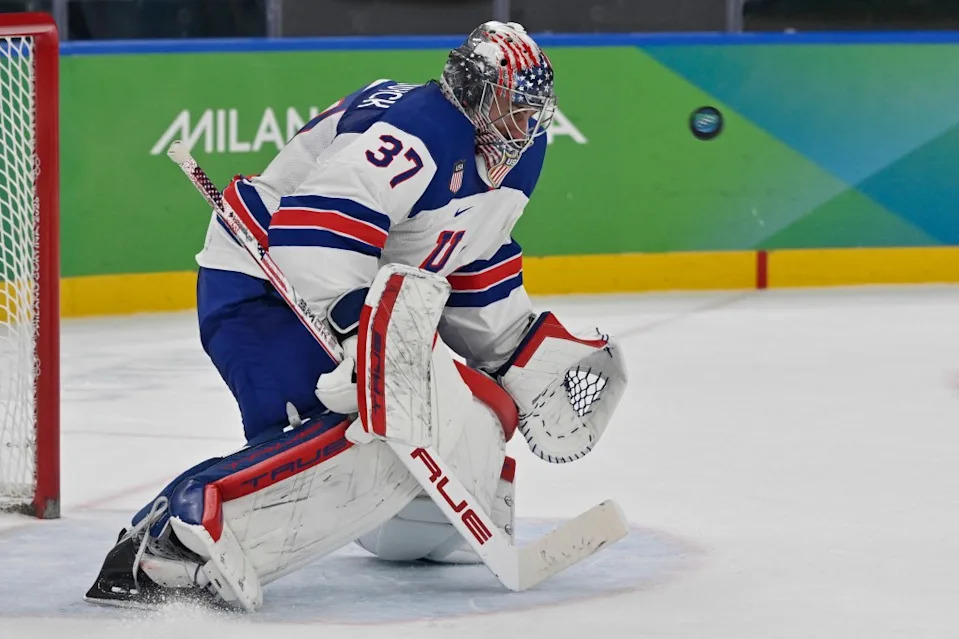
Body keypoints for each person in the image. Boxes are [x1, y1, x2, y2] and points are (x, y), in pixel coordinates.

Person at [84, 21, 627, 610]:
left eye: (533, 112)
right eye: (515, 108)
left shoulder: (516, 155)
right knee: (365, 423)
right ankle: (169, 538)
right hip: (265, 286)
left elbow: (466, 253)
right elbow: (316, 229)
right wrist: (358, 329)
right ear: (476, 91)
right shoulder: (419, 130)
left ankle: (424, 525)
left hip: (347, 294)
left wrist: (515, 348)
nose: (527, 125)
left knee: (462, 412)